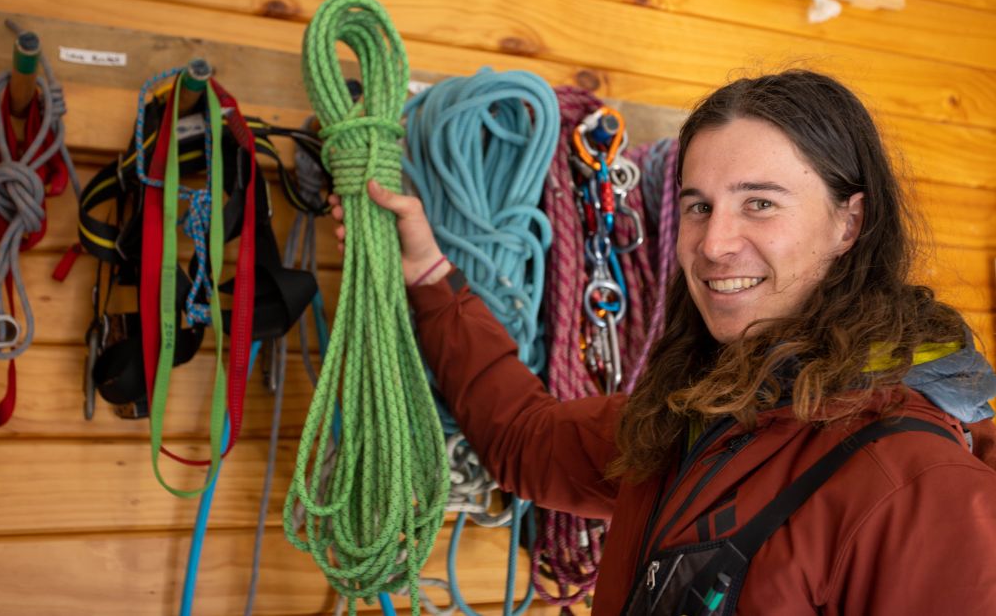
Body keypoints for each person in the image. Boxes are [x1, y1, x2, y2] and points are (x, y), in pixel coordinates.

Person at [329, 70, 996, 614]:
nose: (712, 243)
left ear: (850, 223)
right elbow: (524, 441)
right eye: (699, 205)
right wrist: (427, 273)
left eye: (759, 202)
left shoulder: (918, 482)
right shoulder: (696, 420)